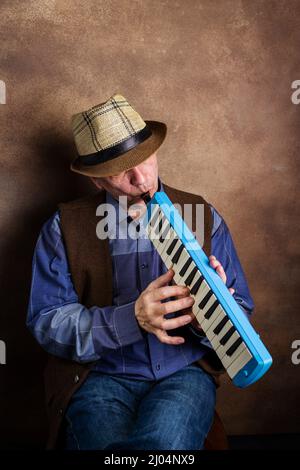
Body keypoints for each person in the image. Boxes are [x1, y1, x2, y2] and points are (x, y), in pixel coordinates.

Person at [26, 93, 254, 450]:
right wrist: (131, 319)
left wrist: (210, 312)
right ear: (97, 181)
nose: (139, 177)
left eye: (144, 158)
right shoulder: (62, 228)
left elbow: (242, 312)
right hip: (100, 376)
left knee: (162, 447)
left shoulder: (203, 215)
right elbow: (47, 321)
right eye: (120, 169)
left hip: (185, 374)